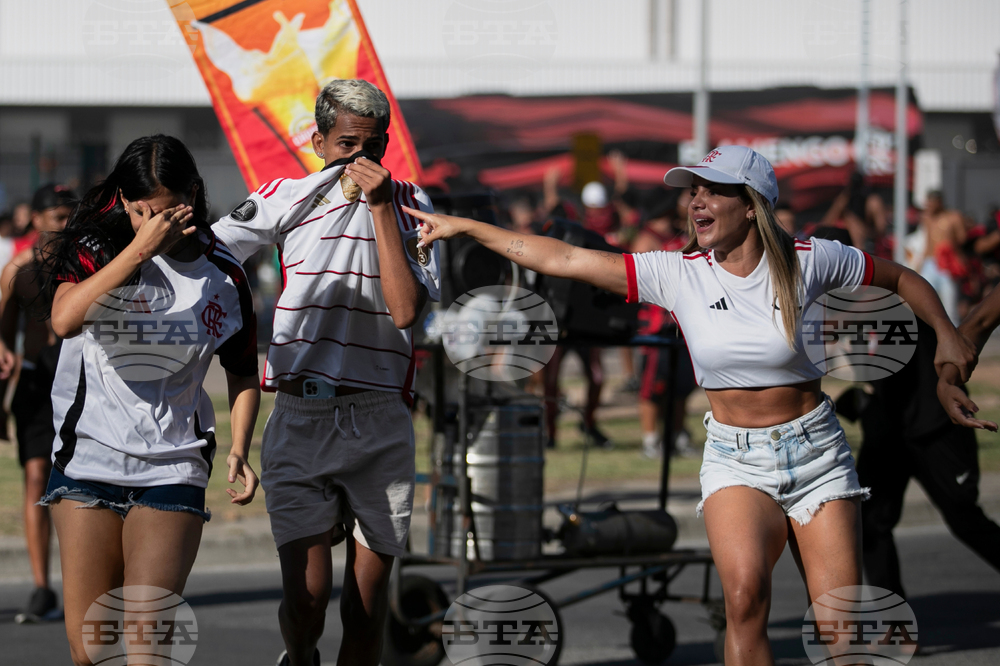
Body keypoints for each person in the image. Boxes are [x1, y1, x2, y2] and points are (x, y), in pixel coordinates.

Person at [407, 145, 975, 665]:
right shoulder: (676, 274)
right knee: (745, 598)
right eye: (692, 190)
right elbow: (563, 258)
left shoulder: (812, 260)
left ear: (752, 206)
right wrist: (464, 227)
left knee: (840, 630)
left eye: (712, 189)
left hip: (817, 452)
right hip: (736, 458)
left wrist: (947, 336)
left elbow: (900, 277)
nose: (695, 200)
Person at [211, 79, 440, 666]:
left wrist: (384, 206)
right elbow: (210, 253)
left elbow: (407, 310)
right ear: (317, 141)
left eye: (372, 146)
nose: (360, 160)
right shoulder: (287, 197)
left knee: (365, 610)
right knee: (307, 599)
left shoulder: (413, 204)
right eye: (345, 145)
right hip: (301, 414)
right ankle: (300, 656)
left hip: (379, 417)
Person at [37, 135, 260, 666]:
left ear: (193, 195)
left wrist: (239, 448)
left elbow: (243, 371)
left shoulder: (224, 274)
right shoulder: (97, 247)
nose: (151, 222)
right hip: (86, 461)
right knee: (91, 649)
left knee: (146, 645)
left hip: (173, 465)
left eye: (165, 211)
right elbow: (65, 319)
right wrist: (139, 251)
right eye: (140, 211)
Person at [0, 184, 75, 623]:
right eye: (59, 218)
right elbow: (5, 326)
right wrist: (5, 348)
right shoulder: (18, 269)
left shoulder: (87, 265)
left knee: (75, 484)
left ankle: (82, 581)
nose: (66, 226)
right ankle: (42, 586)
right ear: (37, 221)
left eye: (71, 217)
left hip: (79, 381)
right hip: (36, 381)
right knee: (34, 479)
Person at [916, 190, 968, 323]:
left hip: (947, 263)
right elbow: (927, 242)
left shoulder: (953, 217)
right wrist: (919, 265)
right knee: (924, 301)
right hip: (930, 262)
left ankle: (954, 333)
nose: (928, 206)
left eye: (931, 203)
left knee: (949, 302)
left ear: (938, 202)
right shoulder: (927, 218)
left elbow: (963, 239)